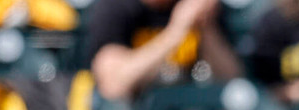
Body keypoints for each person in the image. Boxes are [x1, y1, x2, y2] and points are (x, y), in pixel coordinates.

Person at [86, 0, 243, 104]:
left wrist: (207, 28)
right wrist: (175, 32)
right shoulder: (115, 7)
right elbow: (113, 86)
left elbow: (233, 83)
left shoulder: (200, 9)